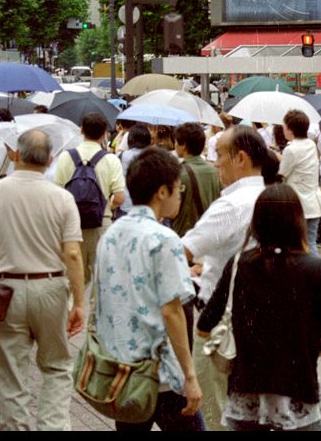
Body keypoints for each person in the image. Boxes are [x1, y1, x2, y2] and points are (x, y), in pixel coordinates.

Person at [197, 184, 321, 431]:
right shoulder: (313, 268)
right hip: (299, 393)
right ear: (298, 220)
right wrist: (307, 347)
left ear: (257, 222)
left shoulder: (240, 265)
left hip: (247, 395)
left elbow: (205, 322)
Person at [94, 147, 203, 431]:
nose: (180, 195)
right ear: (162, 192)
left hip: (123, 372)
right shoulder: (164, 238)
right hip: (162, 374)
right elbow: (173, 311)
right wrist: (190, 376)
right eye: (178, 189)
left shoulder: (110, 235)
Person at [181, 124, 268, 431]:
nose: (215, 162)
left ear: (240, 158)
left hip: (219, 325)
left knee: (214, 408)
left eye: (219, 154)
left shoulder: (231, 204)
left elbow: (184, 251)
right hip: (262, 320)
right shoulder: (273, 197)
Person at [0, 130, 86, 431]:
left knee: (10, 373)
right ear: (50, 160)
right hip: (50, 288)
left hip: (4, 291)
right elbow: (73, 253)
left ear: (16, 154)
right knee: (57, 366)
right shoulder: (62, 198)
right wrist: (79, 302)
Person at [54, 112, 126, 285]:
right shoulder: (111, 160)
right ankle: (95, 312)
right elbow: (120, 197)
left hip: (71, 225)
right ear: (104, 134)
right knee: (100, 279)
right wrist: (108, 207)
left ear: (81, 130)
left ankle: (73, 308)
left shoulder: (65, 157)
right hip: (102, 223)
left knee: (72, 277)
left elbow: (57, 193)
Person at [172, 122, 222, 348]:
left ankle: (187, 348)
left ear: (182, 145)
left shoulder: (178, 174)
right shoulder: (215, 171)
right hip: (211, 243)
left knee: (183, 301)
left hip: (184, 241)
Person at [278, 110, 321, 256]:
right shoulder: (311, 144)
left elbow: (281, 174)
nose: (283, 129)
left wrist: (275, 157)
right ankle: (316, 275)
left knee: (296, 245)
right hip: (314, 202)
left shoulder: (290, 149)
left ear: (290, 129)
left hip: (298, 204)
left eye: (284, 126)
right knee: (310, 243)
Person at [114, 123, 152, 218]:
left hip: (124, 205)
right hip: (147, 208)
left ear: (130, 139)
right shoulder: (153, 157)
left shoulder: (120, 156)